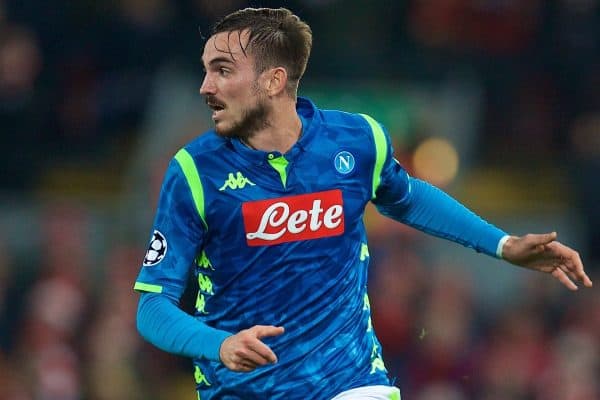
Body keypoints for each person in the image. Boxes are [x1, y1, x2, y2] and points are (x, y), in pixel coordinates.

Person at [133, 7, 593, 400]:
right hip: (244, 388)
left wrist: (503, 244)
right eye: (206, 69)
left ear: (273, 81)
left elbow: (407, 199)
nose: (205, 87)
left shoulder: (357, 140)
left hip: (350, 382)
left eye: (222, 70)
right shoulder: (194, 171)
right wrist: (218, 344)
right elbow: (152, 306)